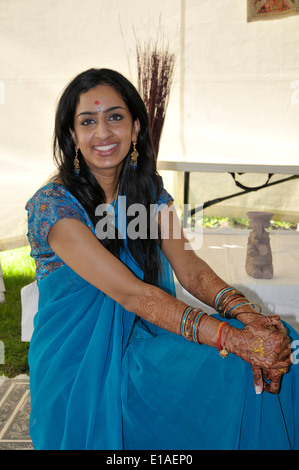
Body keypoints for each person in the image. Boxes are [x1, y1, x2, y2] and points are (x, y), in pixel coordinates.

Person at [26, 68, 299, 450]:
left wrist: (248, 316)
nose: (103, 133)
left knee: (286, 345)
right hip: (80, 363)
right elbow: (132, 295)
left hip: (142, 337)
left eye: (115, 117)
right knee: (233, 366)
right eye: (88, 121)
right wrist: (232, 339)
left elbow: (189, 268)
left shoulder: (148, 191)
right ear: (73, 135)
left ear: (136, 127)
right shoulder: (53, 207)